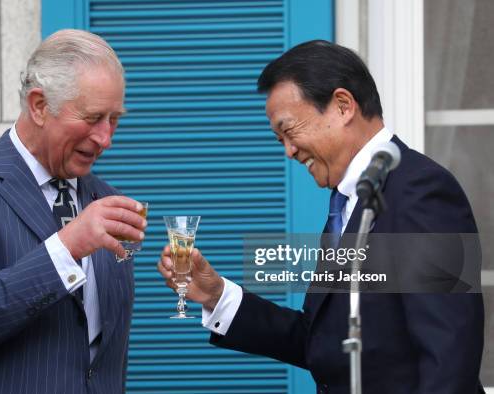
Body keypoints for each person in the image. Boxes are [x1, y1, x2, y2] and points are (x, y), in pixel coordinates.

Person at [158, 40, 485, 394]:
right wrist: (217, 295)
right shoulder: (347, 201)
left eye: (290, 130)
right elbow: (324, 341)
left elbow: (449, 354)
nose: (288, 150)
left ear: (343, 106)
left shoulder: (422, 190)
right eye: (279, 138)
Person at [0, 29, 145, 394]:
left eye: (114, 118)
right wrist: (66, 248)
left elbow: (101, 351)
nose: (106, 139)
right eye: (93, 117)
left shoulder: (106, 201)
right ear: (39, 105)